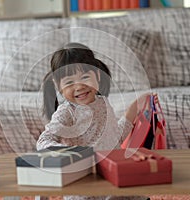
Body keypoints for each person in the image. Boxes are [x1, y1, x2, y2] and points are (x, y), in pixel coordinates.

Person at [37, 42, 155, 200]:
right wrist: (70, 153)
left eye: (85, 77)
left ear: (98, 75)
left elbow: (115, 138)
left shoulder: (103, 104)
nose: (79, 86)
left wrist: (135, 108)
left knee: (139, 194)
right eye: (69, 82)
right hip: (85, 187)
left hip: (112, 177)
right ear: (59, 87)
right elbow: (43, 141)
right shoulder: (66, 113)